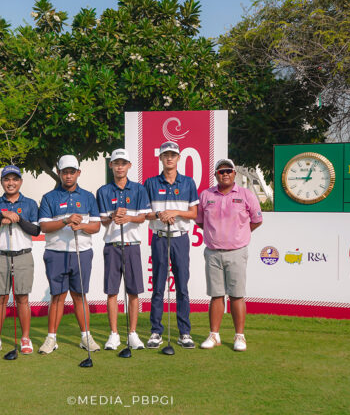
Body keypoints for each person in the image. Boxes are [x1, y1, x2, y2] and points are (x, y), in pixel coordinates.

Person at [37, 155, 101, 354]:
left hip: (81, 252)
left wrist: (81, 226)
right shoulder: (49, 197)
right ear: (59, 173)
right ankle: (51, 338)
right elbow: (44, 227)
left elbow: (96, 226)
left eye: (72, 172)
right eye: (65, 172)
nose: (68, 175)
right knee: (57, 296)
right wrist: (66, 220)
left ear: (78, 173)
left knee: (80, 295)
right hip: (56, 253)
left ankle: (86, 337)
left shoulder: (88, 197)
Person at [196, 159, 262, 351]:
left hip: (236, 252)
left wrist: (240, 233)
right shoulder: (206, 195)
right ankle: (214, 335)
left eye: (228, 171)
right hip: (213, 252)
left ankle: (239, 336)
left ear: (234, 173)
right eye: (221, 171)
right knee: (216, 295)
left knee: (236, 295)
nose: (225, 174)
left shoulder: (246, 194)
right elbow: (200, 221)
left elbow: (257, 220)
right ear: (216, 174)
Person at [144, 141, 199, 349]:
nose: (169, 158)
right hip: (159, 237)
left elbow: (193, 213)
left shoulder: (188, 182)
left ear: (178, 158)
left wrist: (175, 212)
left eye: (173, 155)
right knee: (158, 286)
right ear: (160, 157)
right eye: (166, 155)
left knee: (182, 286)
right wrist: (160, 214)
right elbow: (144, 214)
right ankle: (156, 332)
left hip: (180, 238)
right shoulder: (151, 183)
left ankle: (184, 332)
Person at [0, 165, 40, 355]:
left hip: (22, 255)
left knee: (22, 297)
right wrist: (1, 216)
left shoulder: (30, 203)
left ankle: (25, 338)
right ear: (2, 182)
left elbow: (35, 230)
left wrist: (17, 219)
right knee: (0, 298)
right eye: (7, 179)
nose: (11, 183)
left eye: (15, 179)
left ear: (20, 182)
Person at [96, 149, 151, 350]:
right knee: (112, 292)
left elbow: (143, 217)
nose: (120, 167)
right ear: (111, 165)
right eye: (116, 163)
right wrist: (113, 216)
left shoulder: (138, 189)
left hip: (132, 245)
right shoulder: (103, 191)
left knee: (133, 292)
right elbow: (102, 221)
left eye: (123, 163)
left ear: (129, 165)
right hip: (112, 246)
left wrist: (128, 218)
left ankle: (132, 334)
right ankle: (114, 334)